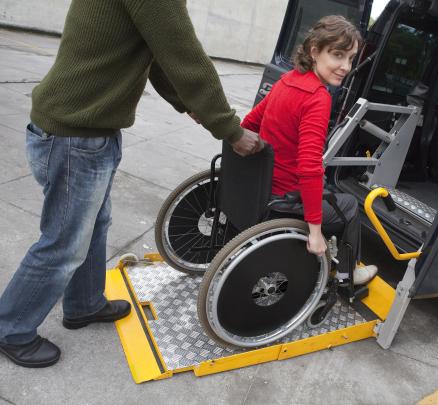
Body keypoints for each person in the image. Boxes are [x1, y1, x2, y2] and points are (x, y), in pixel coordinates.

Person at [0, 0, 262, 368]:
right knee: (64, 243)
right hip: (76, 136)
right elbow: (185, 57)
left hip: (85, 131)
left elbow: (159, 57)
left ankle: (83, 303)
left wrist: (191, 106)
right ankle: (10, 328)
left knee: (94, 227)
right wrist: (230, 130)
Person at [241, 15, 377, 284]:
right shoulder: (317, 98)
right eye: (337, 55)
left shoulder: (287, 79)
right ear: (315, 51)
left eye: (350, 59)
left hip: (260, 186)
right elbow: (309, 168)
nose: (345, 66)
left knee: (329, 192)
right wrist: (315, 231)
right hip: (284, 198)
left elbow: (249, 124)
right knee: (349, 205)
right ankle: (349, 274)